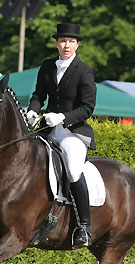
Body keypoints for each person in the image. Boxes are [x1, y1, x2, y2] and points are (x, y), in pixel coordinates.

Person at [27, 23, 97, 249]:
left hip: (73, 133)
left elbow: (88, 107)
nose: (66, 45)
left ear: (78, 44)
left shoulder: (84, 70)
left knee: (74, 168)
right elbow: (39, 94)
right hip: (47, 129)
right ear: (57, 43)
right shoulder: (47, 66)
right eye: (62, 41)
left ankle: (84, 227)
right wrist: (32, 110)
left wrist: (63, 117)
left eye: (71, 41)